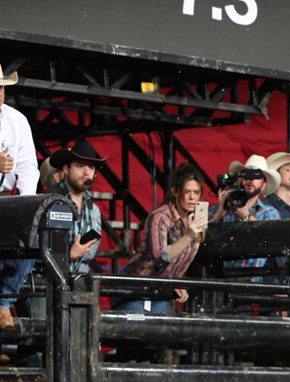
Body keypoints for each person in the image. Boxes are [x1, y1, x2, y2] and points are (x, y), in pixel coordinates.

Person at [116, 163, 208, 315]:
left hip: (161, 288)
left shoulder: (194, 219)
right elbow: (161, 258)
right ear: (175, 192)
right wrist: (188, 236)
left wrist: (175, 281)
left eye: (196, 192)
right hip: (137, 286)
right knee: (136, 331)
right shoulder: (161, 217)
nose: (192, 197)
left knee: (159, 333)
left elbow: (182, 260)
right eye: (187, 192)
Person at [0, 64, 39, 330]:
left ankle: (2, 302)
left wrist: (27, 207)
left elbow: (27, 167)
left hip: (6, 203)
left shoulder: (17, 120)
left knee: (32, 238)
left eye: (1, 87)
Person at [211, 154, 281, 277]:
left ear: (263, 184)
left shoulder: (269, 213)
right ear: (240, 179)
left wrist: (246, 216)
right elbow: (197, 237)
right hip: (220, 282)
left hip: (250, 283)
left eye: (256, 176)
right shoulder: (224, 207)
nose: (250, 180)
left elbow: (271, 240)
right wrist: (218, 212)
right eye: (246, 175)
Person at [48, 141, 104, 276]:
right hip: (45, 283)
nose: (86, 172)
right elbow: (31, 249)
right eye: (80, 166)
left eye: (91, 167)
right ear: (66, 169)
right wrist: (68, 255)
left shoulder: (94, 211)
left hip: (78, 284)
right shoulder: (48, 201)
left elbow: (89, 255)